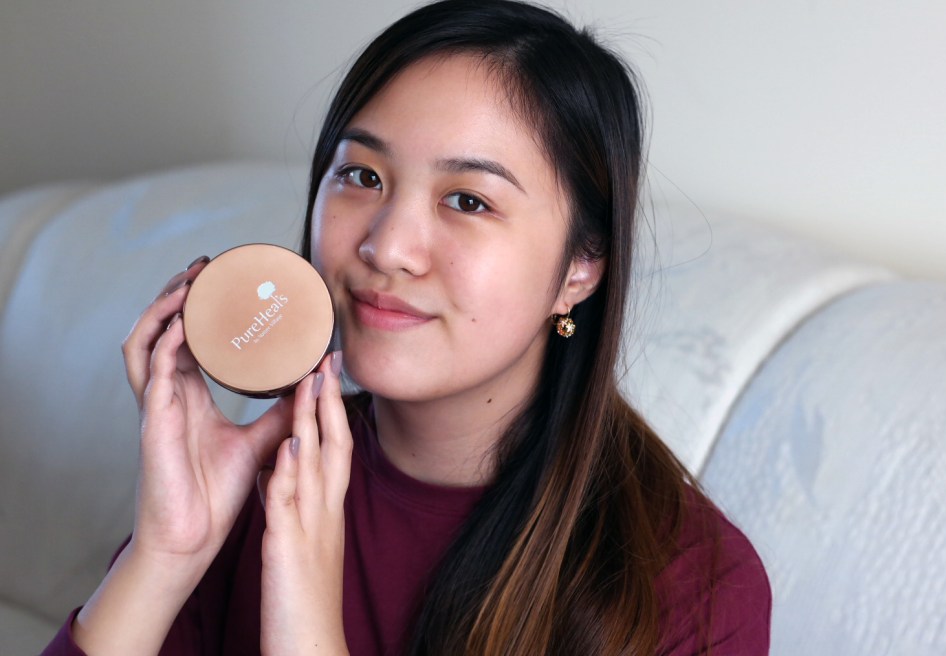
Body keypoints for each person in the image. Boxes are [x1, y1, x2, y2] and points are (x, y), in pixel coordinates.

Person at [43, 1, 771, 654]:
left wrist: (305, 626)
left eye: (468, 200)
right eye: (362, 177)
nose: (387, 247)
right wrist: (169, 553)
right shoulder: (252, 484)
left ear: (579, 269)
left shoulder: (696, 590)